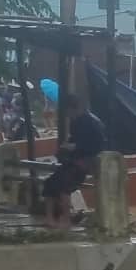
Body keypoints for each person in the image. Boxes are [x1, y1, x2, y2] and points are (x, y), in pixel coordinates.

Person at [42, 91, 104, 230]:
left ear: (74, 108)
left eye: (68, 111)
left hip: (84, 162)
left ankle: (66, 219)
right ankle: (50, 218)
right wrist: (66, 147)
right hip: (72, 161)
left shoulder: (91, 122)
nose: (67, 115)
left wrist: (75, 146)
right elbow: (73, 140)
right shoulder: (76, 122)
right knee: (49, 184)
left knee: (64, 187)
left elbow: (96, 145)